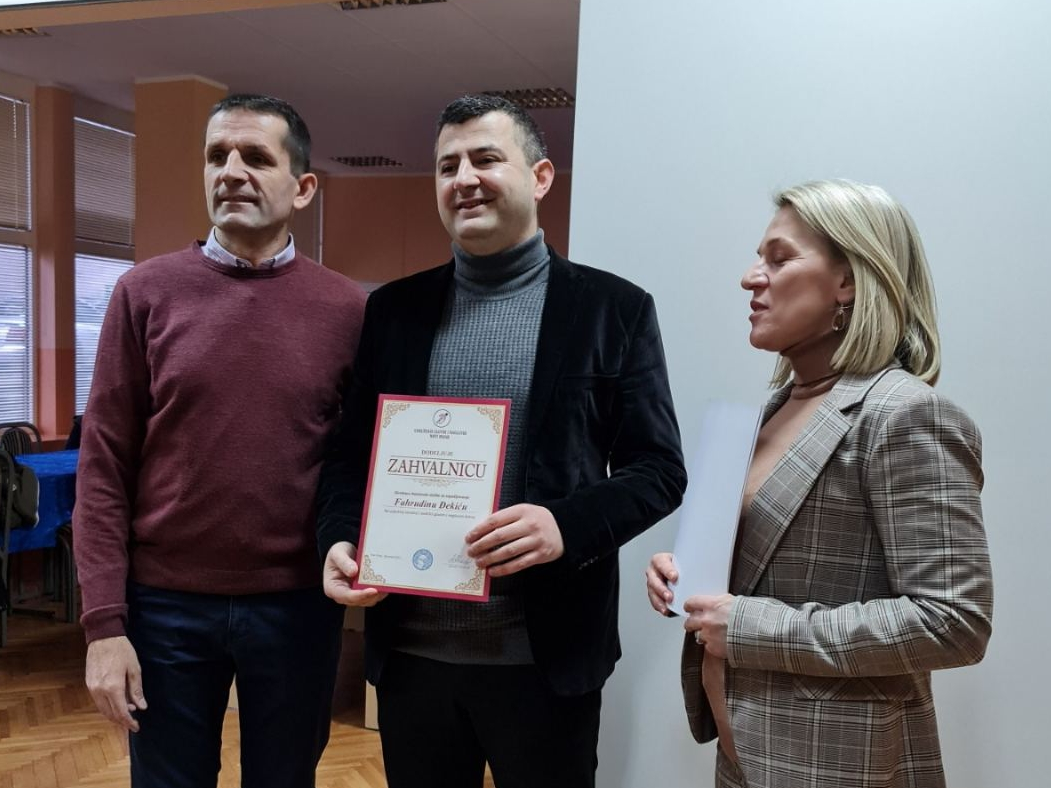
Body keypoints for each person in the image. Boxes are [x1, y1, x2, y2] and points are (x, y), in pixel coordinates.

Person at [316, 94, 687, 788]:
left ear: (540, 177)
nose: (464, 179)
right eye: (446, 166)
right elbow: (347, 459)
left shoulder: (612, 309)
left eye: (485, 159)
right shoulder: (392, 311)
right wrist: (336, 540)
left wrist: (564, 525)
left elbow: (658, 470)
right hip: (412, 659)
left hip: (544, 661)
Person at [646, 179, 993, 788]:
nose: (750, 278)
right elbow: (767, 568)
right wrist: (687, 577)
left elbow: (954, 621)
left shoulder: (905, 414)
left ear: (848, 282)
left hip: (841, 767)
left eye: (779, 259)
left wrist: (749, 627)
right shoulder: (773, 409)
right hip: (744, 759)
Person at [73, 93, 367, 788]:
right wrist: (104, 626)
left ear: (302, 187)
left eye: (256, 157)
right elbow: (104, 467)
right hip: (165, 609)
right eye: (217, 156)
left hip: (298, 605)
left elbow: (357, 463)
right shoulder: (143, 294)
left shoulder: (350, 309)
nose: (231, 171)